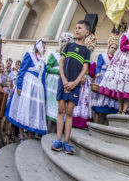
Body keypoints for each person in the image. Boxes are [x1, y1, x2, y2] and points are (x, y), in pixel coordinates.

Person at [52, 20, 91, 155]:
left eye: (79, 28)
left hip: (74, 85)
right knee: (61, 109)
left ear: (86, 32)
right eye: (76, 27)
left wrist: (74, 83)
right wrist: (63, 80)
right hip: (63, 82)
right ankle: (58, 139)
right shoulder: (68, 46)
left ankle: (66, 142)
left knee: (69, 111)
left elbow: (84, 69)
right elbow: (61, 63)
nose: (76, 30)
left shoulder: (86, 51)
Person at [99, 10, 129, 113]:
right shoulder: (126, 35)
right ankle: (120, 109)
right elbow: (122, 47)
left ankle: (124, 110)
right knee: (121, 86)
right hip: (123, 62)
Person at [5, 39, 47, 137]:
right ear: (39, 47)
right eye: (44, 48)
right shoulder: (29, 55)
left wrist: (44, 95)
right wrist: (19, 86)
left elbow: (43, 79)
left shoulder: (42, 61)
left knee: (31, 111)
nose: (45, 50)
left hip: (37, 90)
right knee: (23, 108)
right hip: (27, 86)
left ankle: (29, 134)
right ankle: (20, 134)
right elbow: (22, 71)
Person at [45, 32, 74, 130]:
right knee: (48, 104)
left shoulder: (67, 59)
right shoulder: (54, 55)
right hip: (51, 82)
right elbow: (48, 67)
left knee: (57, 105)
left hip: (60, 84)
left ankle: (53, 128)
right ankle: (43, 128)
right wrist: (58, 71)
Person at [92, 35, 119, 123]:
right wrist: (97, 74)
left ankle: (106, 121)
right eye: (112, 47)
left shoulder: (115, 58)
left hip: (110, 80)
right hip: (102, 78)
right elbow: (98, 67)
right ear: (109, 47)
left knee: (109, 100)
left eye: (115, 48)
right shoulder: (102, 56)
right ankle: (96, 120)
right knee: (99, 98)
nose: (113, 49)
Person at [72, 34, 97, 128]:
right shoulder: (81, 57)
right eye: (89, 48)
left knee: (85, 100)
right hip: (79, 80)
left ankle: (82, 123)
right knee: (78, 99)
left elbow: (92, 74)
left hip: (87, 83)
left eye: (92, 48)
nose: (91, 50)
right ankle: (73, 120)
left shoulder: (93, 62)